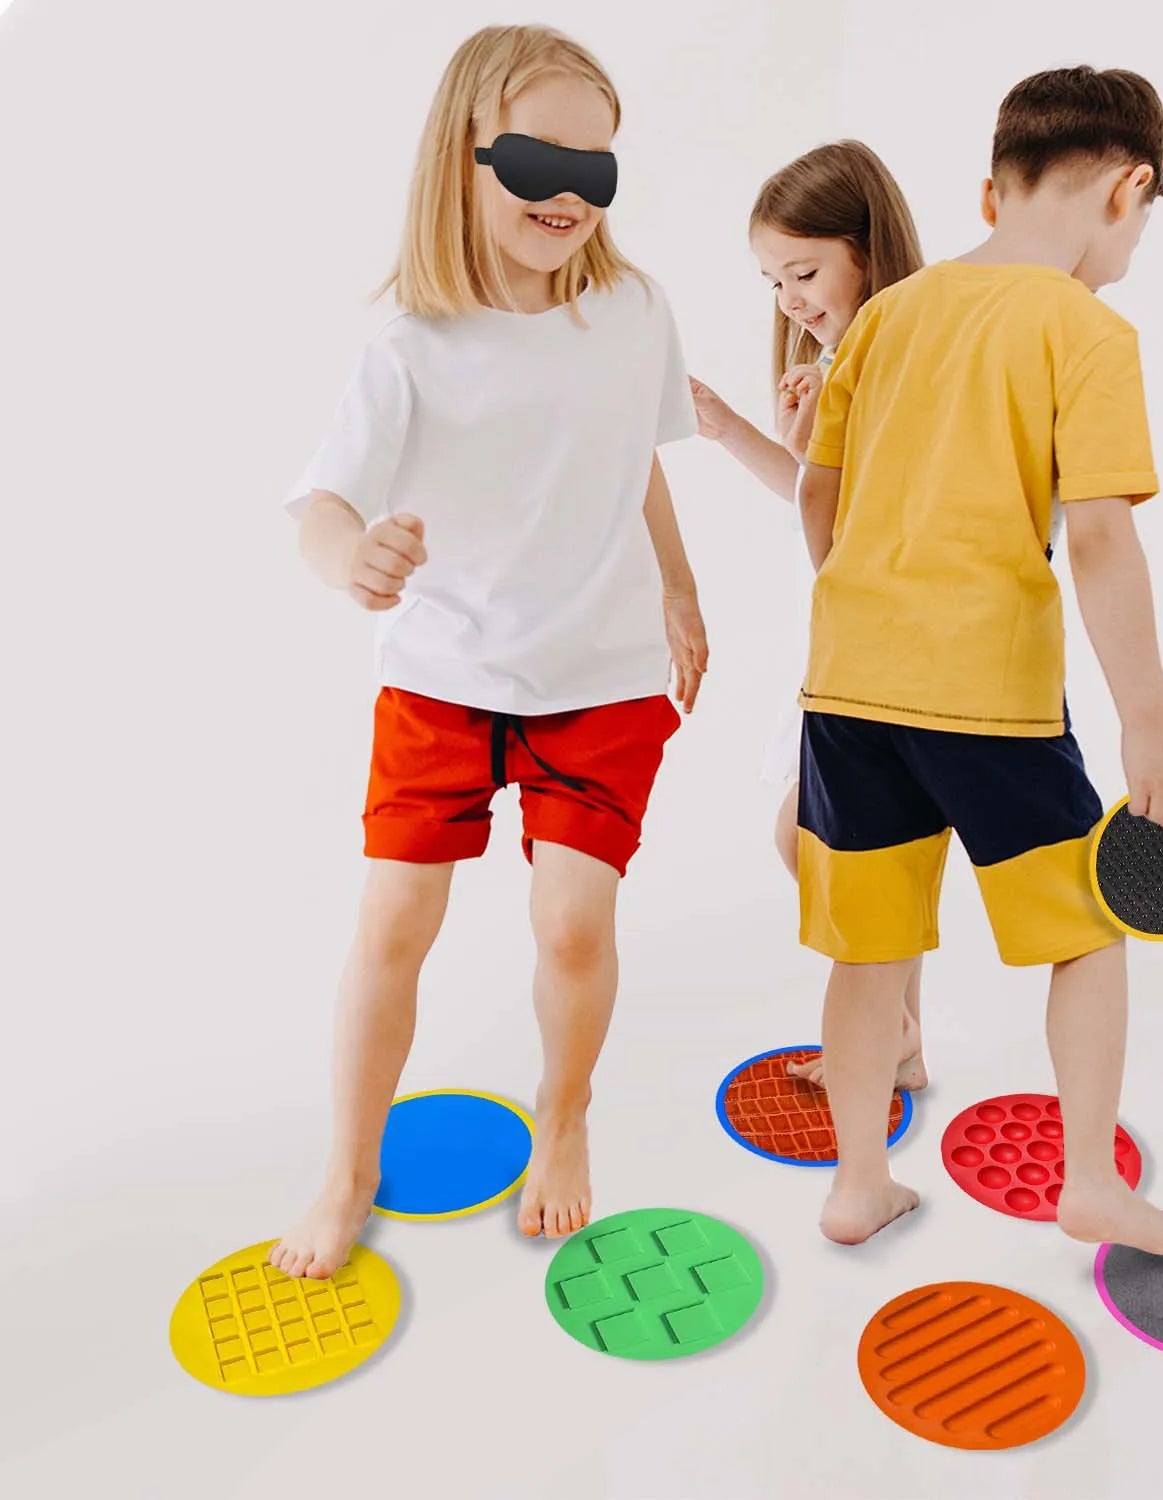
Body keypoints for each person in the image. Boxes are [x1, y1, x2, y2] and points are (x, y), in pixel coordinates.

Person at [271, 24, 706, 1276]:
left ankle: (563, 1117)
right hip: (445, 677)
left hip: (601, 671)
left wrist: (681, 591)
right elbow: (323, 504)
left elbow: (638, 466)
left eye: (599, 167)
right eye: (532, 158)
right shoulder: (411, 340)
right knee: (394, 922)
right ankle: (348, 1165)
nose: (569, 191)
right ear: (461, 155)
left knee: (573, 923)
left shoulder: (633, 310)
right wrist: (347, 559)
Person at [796, 67, 1163, 1253]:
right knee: (1085, 928)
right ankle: (1089, 1179)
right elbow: (1101, 534)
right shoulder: (1085, 330)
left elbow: (821, 496)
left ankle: (857, 1185)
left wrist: (867, 593)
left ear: (992, 187)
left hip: (848, 683)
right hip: (989, 694)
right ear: (1129, 190)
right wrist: (1149, 723)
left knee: (869, 944)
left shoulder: (887, 314)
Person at [690, 142, 927, 1090]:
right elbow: (815, 511)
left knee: (820, 841)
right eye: (772, 280)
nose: (788, 298)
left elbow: (871, 528)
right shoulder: (841, 359)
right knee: (846, 849)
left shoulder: (902, 363)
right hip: (842, 642)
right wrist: (741, 431)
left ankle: (892, 1033)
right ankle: (900, 1039)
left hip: (887, 646)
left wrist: (823, 445)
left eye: (804, 271)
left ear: (867, 251)